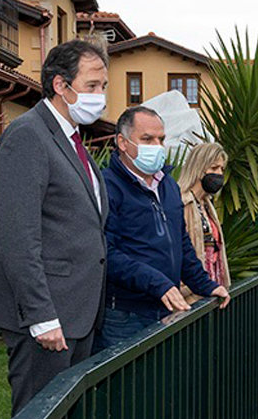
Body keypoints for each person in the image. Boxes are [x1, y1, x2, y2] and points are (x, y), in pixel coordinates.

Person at [0, 40, 110, 416]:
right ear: (59, 84)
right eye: (91, 86)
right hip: (47, 320)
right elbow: (18, 237)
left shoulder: (72, 141)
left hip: (78, 314)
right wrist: (41, 317)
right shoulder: (28, 135)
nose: (100, 96)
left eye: (103, 87)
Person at [94, 106, 230, 352]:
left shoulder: (168, 185)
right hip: (125, 314)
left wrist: (205, 285)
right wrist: (157, 283)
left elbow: (181, 243)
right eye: (147, 139)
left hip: (166, 308)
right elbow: (105, 252)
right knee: (128, 388)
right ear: (123, 143)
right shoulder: (106, 187)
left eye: (161, 139)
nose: (156, 146)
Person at [177, 142, 231, 304]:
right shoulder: (181, 203)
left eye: (222, 169)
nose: (219, 174)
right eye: (214, 168)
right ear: (199, 167)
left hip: (210, 291)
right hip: (190, 297)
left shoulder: (207, 204)